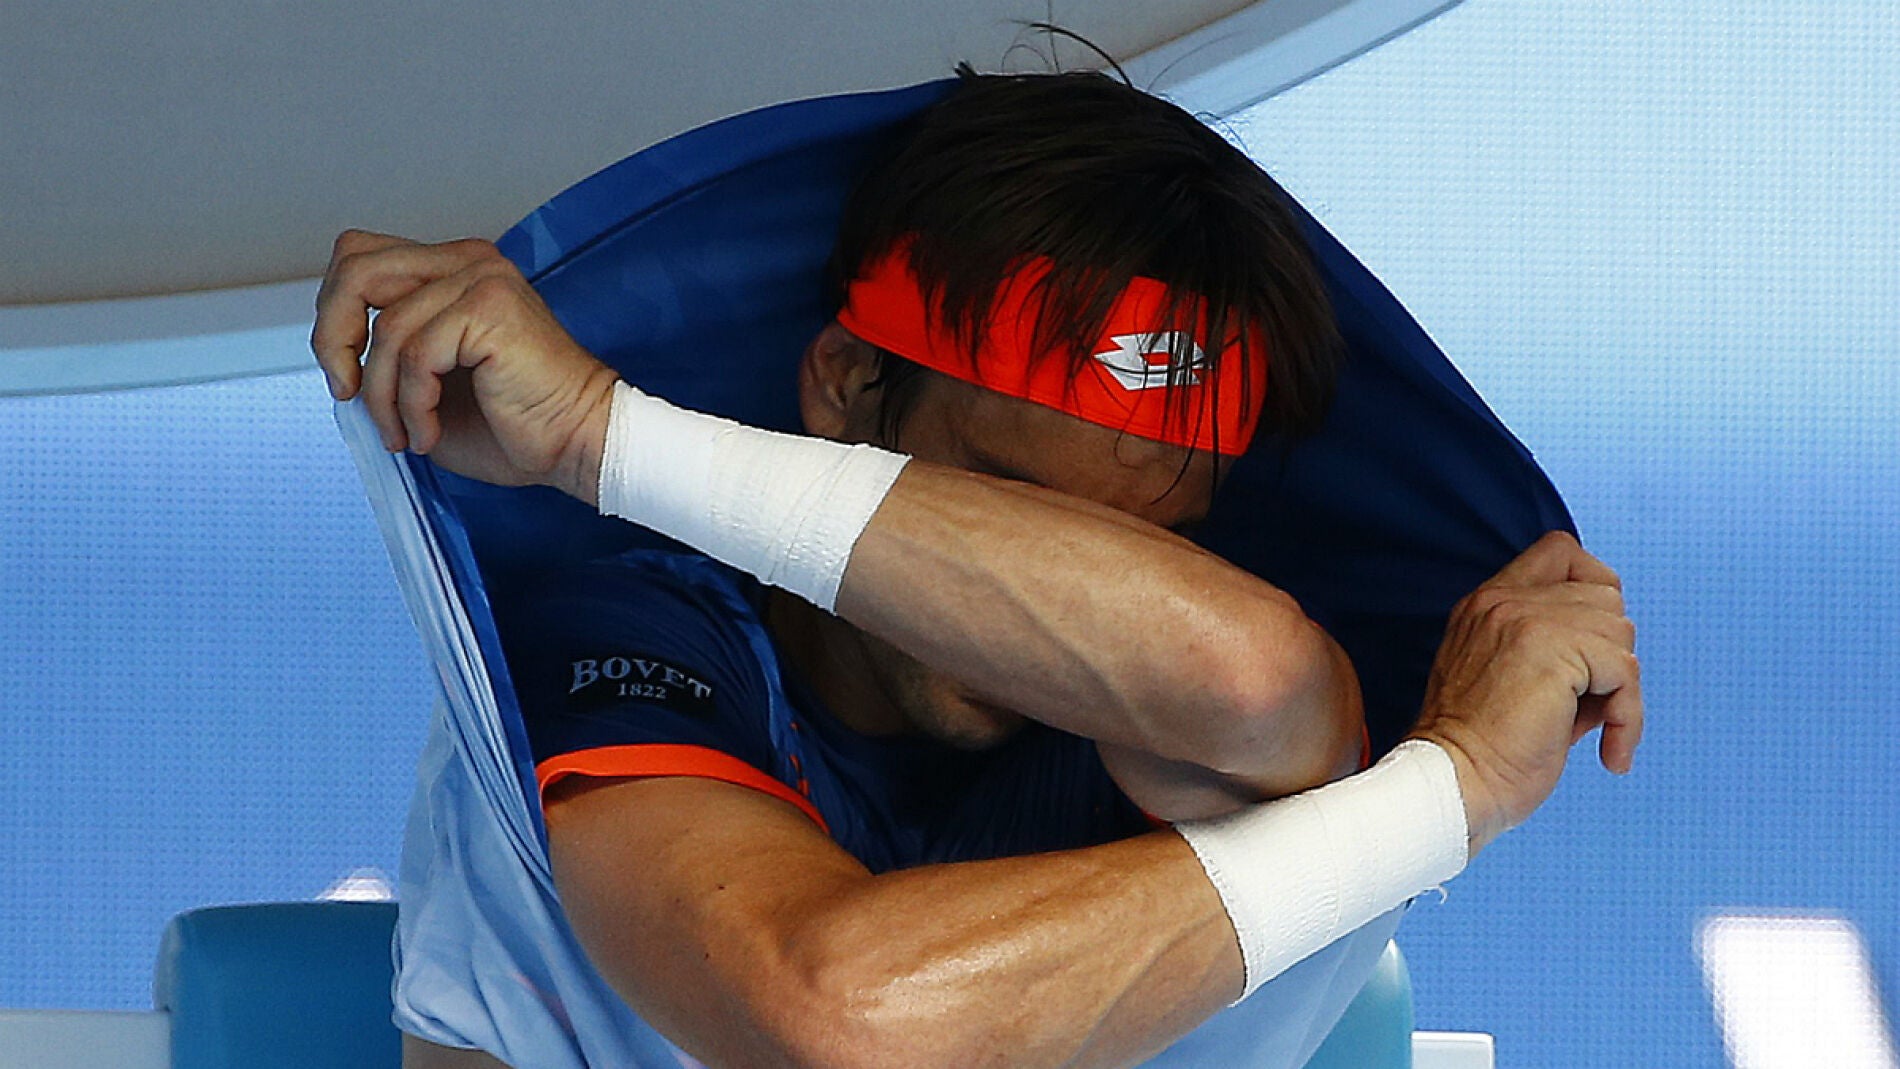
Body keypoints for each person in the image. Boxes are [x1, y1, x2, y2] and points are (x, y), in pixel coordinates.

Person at [313, 70, 1642, 1069]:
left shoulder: (1237, 708)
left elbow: (1248, 679)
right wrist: (1449, 793)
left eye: (1142, 542)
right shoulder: (614, 626)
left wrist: (610, 436)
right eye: (1003, 504)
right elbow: (839, 1016)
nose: (1045, 591)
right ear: (843, 387)